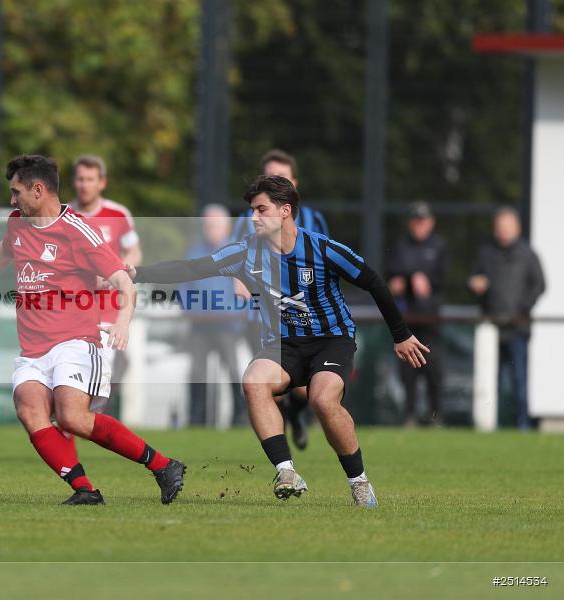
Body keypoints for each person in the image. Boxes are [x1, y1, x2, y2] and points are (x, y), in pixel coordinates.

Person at [130, 175, 429, 507]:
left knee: (323, 399)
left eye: (261, 210)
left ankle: (359, 482)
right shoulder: (245, 252)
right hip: (283, 344)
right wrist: (137, 274)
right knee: (253, 381)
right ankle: (287, 471)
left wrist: (401, 335)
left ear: (285, 211)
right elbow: (192, 268)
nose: (253, 218)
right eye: (252, 210)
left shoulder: (322, 248)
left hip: (332, 340)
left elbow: (373, 281)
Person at [0, 155, 185, 505]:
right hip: (32, 348)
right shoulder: (17, 223)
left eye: (16, 192)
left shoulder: (77, 230)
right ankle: (85, 490)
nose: (12, 199)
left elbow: (124, 280)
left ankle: (163, 465)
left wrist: (122, 320)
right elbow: (3, 251)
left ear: (38, 189)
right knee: (29, 409)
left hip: (75, 341)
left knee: (72, 417)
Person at [231, 149, 328, 450]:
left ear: (294, 183)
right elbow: (234, 256)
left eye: (282, 178)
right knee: (268, 383)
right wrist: (238, 281)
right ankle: (281, 453)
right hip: (261, 316)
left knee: (302, 389)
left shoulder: (313, 220)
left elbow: (325, 261)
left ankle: (295, 417)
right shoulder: (250, 218)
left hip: (303, 316)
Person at [68, 155, 141, 411]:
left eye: (90, 179)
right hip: (74, 311)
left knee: (104, 373)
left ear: (102, 182)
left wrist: (114, 272)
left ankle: (91, 421)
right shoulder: (64, 215)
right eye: (80, 179)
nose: (84, 184)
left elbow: (134, 253)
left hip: (109, 310)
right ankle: (78, 421)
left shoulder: (118, 214)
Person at [468, 207, 545, 430]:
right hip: (492, 328)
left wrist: (522, 309)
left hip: (518, 327)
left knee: (519, 380)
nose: (502, 231)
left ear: (517, 228)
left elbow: (539, 284)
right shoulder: (486, 253)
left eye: (507, 227)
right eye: (499, 227)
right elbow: (473, 280)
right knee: (494, 381)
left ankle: (522, 424)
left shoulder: (528, 254)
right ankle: (495, 425)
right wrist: (474, 285)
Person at [180, 204, 245, 426]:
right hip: (200, 325)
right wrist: (189, 310)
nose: (210, 229)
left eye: (215, 225)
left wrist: (237, 313)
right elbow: (183, 286)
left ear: (226, 227)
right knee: (197, 371)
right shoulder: (194, 253)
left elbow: (246, 289)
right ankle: (195, 418)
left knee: (234, 370)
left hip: (228, 326)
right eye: (207, 225)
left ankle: (240, 417)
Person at [387, 202, 446, 426]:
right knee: (407, 370)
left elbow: (443, 279)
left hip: (430, 319)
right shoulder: (401, 246)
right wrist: (404, 280)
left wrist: (425, 280)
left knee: (433, 369)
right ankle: (409, 415)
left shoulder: (438, 247)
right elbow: (391, 278)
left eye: (423, 220)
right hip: (406, 319)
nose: (419, 225)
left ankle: (436, 415)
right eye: (416, 220)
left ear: (431, 223)